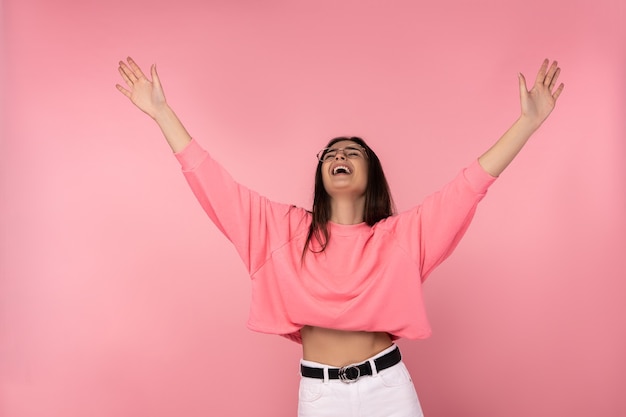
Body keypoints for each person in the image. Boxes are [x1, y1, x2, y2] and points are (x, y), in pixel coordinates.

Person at [116, 57, 564, 417]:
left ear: (371, 174)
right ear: (322, 174)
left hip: (389, 391)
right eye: (330, 153)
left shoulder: (402, 238)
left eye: (352, 152)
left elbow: (470, 185)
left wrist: (527, 123)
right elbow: (213, 183)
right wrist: (161, 112)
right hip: (320, 396)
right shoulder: (281, 231)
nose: (339, 156)